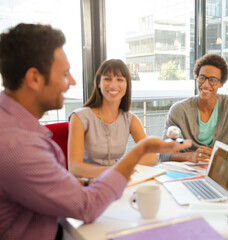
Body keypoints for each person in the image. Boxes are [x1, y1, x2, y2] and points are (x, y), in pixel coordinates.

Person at [0, 23, 191, 239]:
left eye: (120, 79)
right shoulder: (18, 146)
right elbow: (86, 207)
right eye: (64, 74)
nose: (71, 82)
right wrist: (140, 151)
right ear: (34, 78)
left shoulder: (16, 126)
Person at [159, 53, 228, 169]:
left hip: (223, 173)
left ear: (221, 83)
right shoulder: (179, 110)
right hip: (189, 173)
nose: (205, 84)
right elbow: (164, 154)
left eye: (212, 80)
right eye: (202, 78)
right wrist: (191, 156)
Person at [68, 59, 157, 179]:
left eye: (120, 79)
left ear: (127, 85)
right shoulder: (79, 117)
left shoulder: (130, 119)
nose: (113, 85)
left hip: (117, 181)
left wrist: (122, 167)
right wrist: (117, 169)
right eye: (107, 79)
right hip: (88, 183)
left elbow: (152, 157)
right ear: (99, 83)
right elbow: (75, 168)